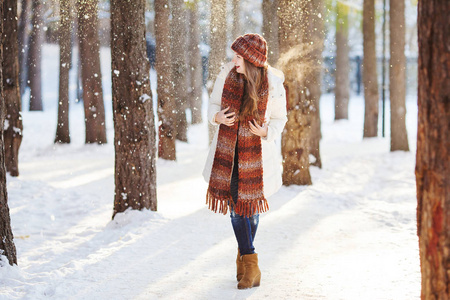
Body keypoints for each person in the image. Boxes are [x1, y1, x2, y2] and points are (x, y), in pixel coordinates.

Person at [202, 33, 287, 289]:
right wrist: (216, 116)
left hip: (257, 157)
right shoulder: (226, 74)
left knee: (251, 209)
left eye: (239, 56)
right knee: (238, 207)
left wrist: (266, 132)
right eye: (234, 55)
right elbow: (212, 105)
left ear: (250, 59)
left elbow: (280, 119)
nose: (234, 60)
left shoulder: (272, 82)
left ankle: (245, 259)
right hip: (228, 156)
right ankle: (251, 262)